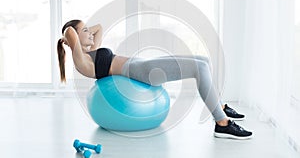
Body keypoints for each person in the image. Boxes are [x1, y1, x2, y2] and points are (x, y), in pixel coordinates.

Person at [57, 19, 252, 140]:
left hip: (143, 65)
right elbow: (69, 32)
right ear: (72, 40)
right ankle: (222, 123)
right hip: (143, 72)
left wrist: (84, 32)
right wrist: (68, 38)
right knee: (199, 68)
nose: (90, 33)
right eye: (84, 32)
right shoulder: (81, 62)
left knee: (203, 60)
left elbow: (98, 28)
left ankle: (219, 105)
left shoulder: (90, 52)